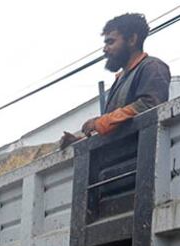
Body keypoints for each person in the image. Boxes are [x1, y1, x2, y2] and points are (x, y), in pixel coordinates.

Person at [61, 13, 171, 148]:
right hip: (120, 159)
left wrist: (101, 123)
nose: (105, 49)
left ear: (132, 40)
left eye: (111, 42)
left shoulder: (152, 67)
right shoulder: (121, 78)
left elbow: (150, 106)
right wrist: (81, 141)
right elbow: (117, 127)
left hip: (140, 156)